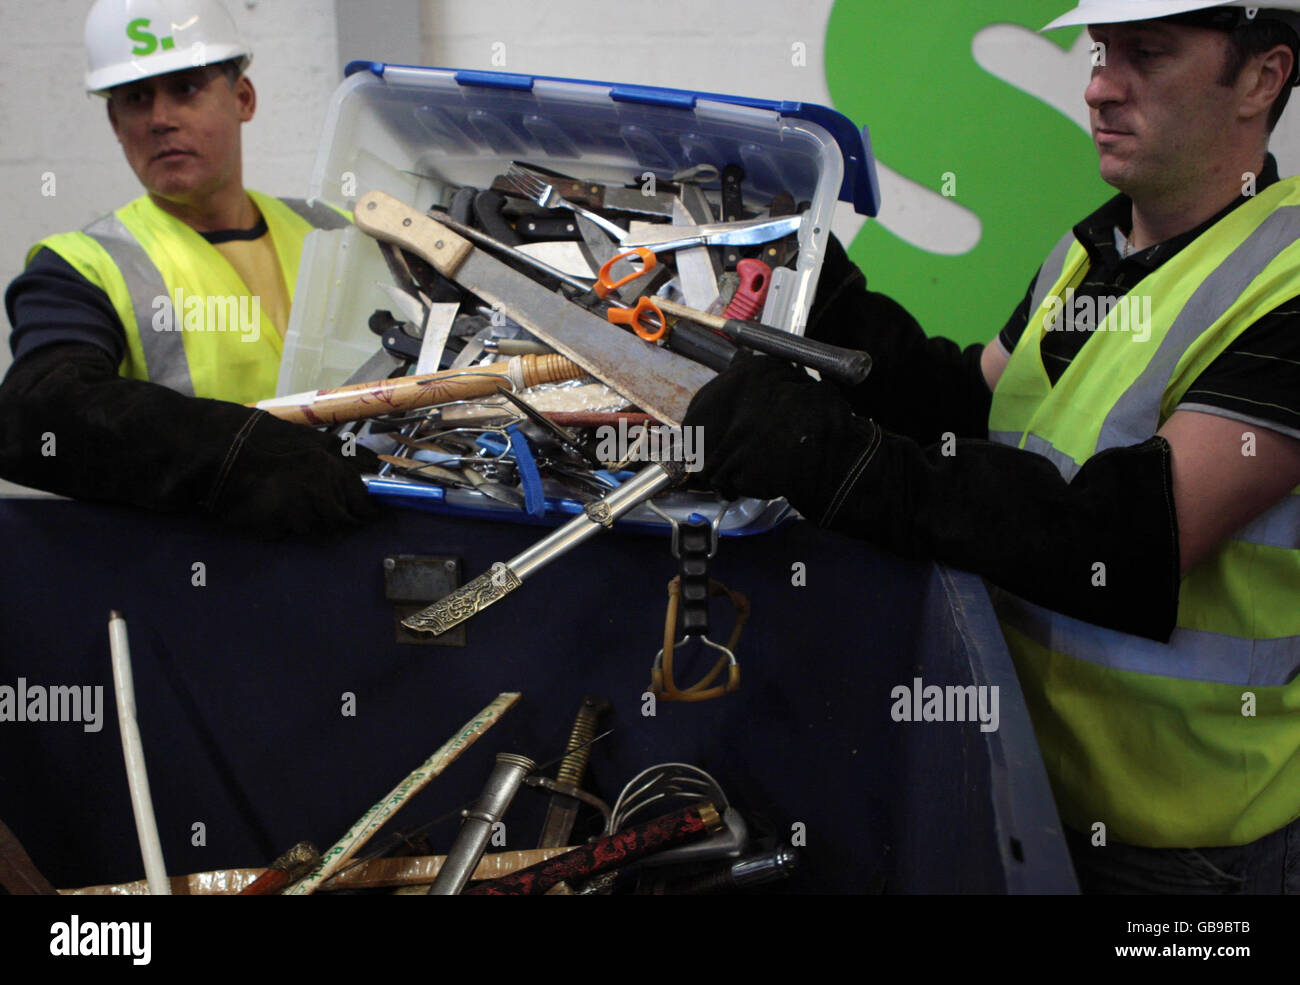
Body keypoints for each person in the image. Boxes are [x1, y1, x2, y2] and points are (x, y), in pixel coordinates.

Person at [685, 0, 1300, 893]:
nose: (1099, 87)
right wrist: (836, 315)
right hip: (1023, 783)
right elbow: (974, 405)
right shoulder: (1093, 249)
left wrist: (836, 458)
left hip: (1190, 853)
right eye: (1101, 52)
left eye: (1147, 54)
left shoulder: (1286, 281)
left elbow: (1127, 540)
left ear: (1261, 76)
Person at [0, 0, 377, 539]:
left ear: (243, 99)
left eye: (186, 88)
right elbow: (41, 409)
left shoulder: (344, 233)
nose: (159, 119)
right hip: (200, 578)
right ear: (114, 121)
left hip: (372, 542)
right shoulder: (81, 265)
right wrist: (234, 454)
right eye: (135, 98)